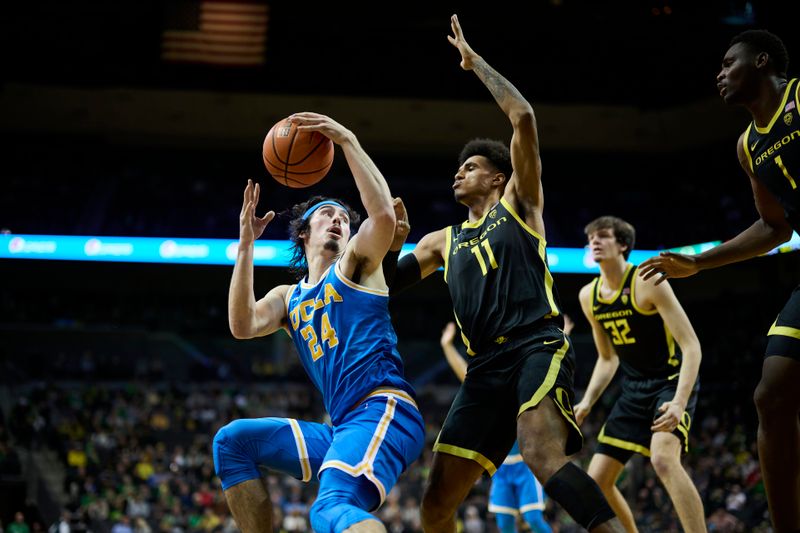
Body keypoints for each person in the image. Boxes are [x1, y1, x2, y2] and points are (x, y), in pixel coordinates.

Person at [383, 14, 623, 533]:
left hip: (536, 344)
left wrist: (475, 65)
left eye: (469, 167)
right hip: (484, 367)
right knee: (434, 505)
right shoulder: (439, 241)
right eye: (458, 168)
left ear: (497, 176)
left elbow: (524, 119)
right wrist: (393, 242)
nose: (458, 173)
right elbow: (383, 285)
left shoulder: (519, 203)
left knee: (541, 452)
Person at [214, 112, 425, 533]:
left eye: (344, 219)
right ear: (303, 234)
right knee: (232, 442)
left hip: (383, 408)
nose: (338, 221)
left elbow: (382, 217)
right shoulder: (288, 298)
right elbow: (242, 325)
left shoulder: (356, 267)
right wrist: (245, 246)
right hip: (343, 424)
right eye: (328, 215)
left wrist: (347, 139)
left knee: (330, 508)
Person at [639, 30, 799, 532]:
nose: (720, 72)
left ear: (763, 61)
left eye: (731, 62)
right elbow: (775, 226)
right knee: (770, 395)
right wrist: (700, 263)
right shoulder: (748, 146)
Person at [574, 216, 705, 533]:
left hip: (669, 383)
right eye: (591, 236)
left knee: (662, 459)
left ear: (622, 245)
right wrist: (587, 402)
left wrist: (678, 402)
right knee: (597, 480)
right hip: (633, 390)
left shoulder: (647, 280)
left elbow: (691, 347)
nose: (594, 241)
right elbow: (607, 359)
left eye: (603, 236)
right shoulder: (588, 297)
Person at [439, 320, 554, 533]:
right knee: (503, 523)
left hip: (526, 465)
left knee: (534, 519)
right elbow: (466, 377)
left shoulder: (521, 385)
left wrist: (559, 336)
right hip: (501, 468)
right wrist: (447, 345)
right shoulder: (489, 390)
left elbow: (547, 365)